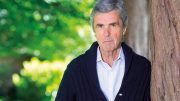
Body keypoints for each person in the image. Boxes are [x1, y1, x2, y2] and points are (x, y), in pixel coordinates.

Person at [55, 0, 151, 101]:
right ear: (94, 30)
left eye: (113, 25)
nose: (106, 33)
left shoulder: (142, 68)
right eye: (100, 26)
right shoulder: (76, 69)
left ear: (124, 28)